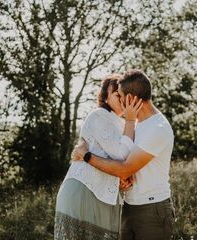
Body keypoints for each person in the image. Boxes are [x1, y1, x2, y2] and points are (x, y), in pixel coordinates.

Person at [72, 69, 175, 240]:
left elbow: (125, 169)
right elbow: (124, 163)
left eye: (120, 95)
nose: (118, 100)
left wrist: (87, 156)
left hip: (152, 209)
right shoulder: (134, 125)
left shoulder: (157, 128)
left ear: (132, 99)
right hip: (129, 205)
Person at [54, 73, 143, 240]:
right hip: (84, 189)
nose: (121, 99)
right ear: (105, 96)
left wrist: (125, 176)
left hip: (106, 196)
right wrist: (131, 121)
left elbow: (128, 161)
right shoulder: (98, 116)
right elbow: (120, 155)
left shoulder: (125, 124)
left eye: (123, 95)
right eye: (116, 94)